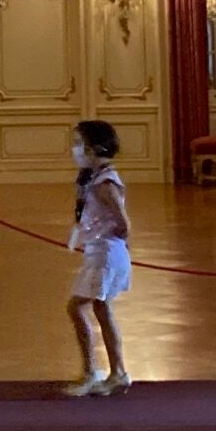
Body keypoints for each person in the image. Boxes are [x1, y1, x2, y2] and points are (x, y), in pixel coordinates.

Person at [64, 119, 132, 397]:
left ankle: (91, 371)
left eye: (79, 143)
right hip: (100, 251)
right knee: (101, 310)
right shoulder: (94, 179)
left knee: (76, 307)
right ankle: (117, 372)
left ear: (94, 147)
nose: (75, 149)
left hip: (105, 254)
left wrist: (107, 242)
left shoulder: (105, 183)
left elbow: (124, 223)